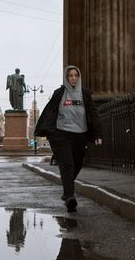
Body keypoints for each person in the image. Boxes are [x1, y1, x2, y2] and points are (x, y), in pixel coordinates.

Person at [34, 65, 103, 212]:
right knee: (67, 165)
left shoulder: (85, 94)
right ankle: (70, 197)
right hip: (61, 135)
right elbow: (50, 112)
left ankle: (67, 190)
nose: (73, 78)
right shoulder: (59, 93)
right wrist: (49, 131)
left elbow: (93, 114)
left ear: (79, 77)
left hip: (80, 135)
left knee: (77, 163)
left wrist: (97, 135)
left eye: (75, 75)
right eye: (70, 76)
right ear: (66, 78)